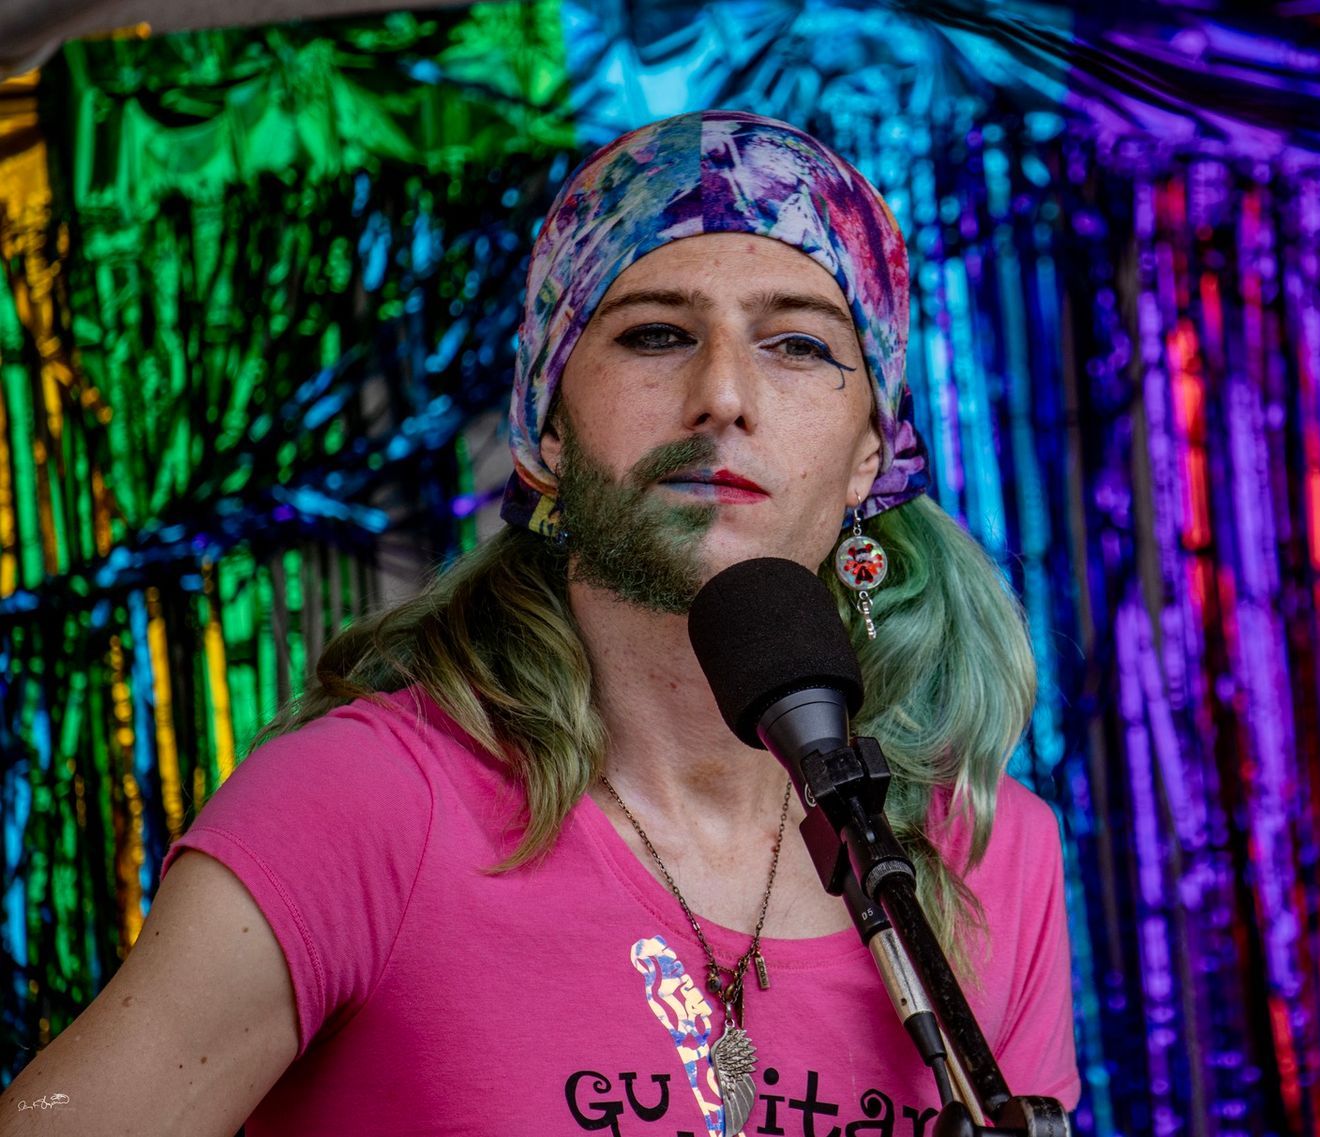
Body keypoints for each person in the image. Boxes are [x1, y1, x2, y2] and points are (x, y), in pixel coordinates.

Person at [0, 110, 1078, 1136]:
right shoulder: (365, 804)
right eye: (656, 333)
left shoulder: (987, 852)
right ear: (543, 434)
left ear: (870, 458)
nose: (722, 395)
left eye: (798, 345)